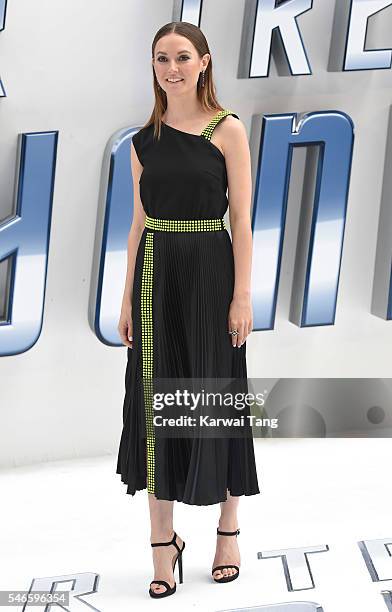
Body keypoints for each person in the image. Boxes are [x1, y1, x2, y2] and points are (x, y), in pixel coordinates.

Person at [116, 21, 260, 599]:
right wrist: (126, 295)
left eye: (181, 57)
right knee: (158, 405)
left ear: (204, 62)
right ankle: (162, 546)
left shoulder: (229, 132)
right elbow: (138, 223)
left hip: (210, 271)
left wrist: (242, 293)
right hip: (157, 278)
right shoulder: (142, 140)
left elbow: (243, 222)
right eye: (160, 58)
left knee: (214, 399)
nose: (170, 68)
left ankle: (228, 530)